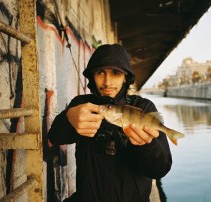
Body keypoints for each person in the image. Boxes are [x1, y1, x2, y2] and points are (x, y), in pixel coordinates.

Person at [48, 44, 172, 202]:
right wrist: (68, 118)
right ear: (92, 76)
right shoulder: (82, 105)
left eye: (115, 73)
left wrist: (148, 146)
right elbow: (55, 137)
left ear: (125, 77)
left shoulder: (143, 108)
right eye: (100, 72)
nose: (107, 82)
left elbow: (160, 169)